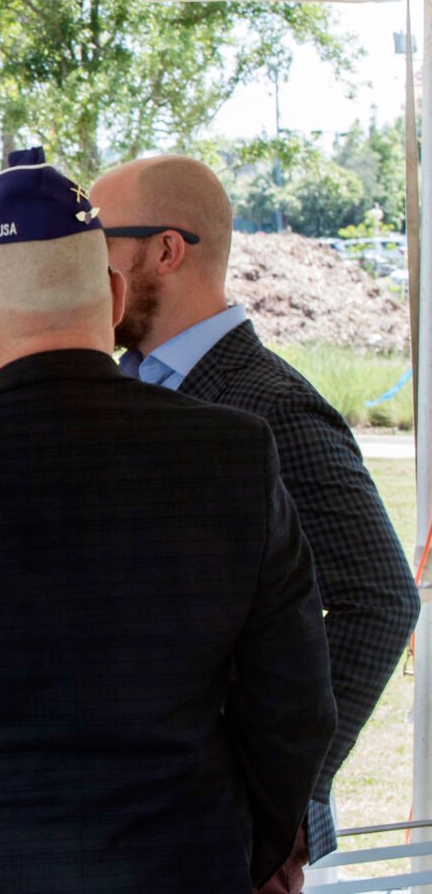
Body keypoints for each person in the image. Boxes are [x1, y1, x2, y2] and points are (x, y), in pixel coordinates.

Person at [0, 148, 337, 894]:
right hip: (179, 866)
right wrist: (237, 848)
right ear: (112, 296)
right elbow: (293, 705)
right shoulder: (231, 453)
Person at [91, 154, 418, 888]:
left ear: (166, 250)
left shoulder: (269, 405)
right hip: (132, 818)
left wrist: (283, 795)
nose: (85, 270)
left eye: (98, 245)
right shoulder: (116, 388)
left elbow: (378, 597)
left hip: (235, 836)